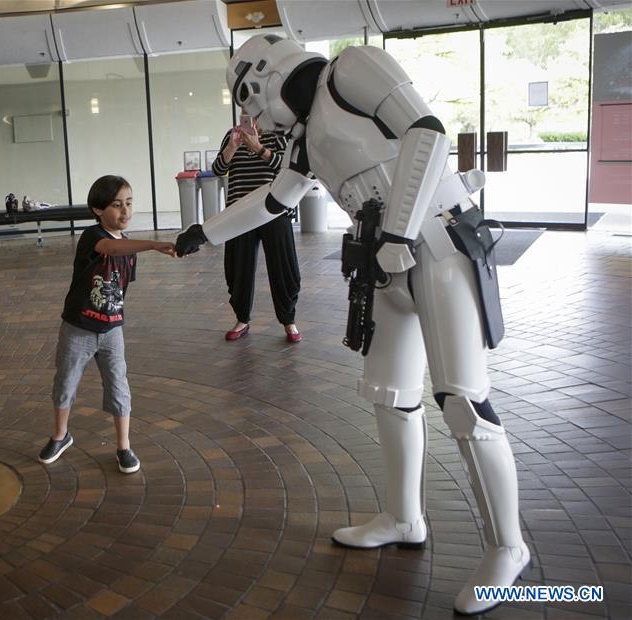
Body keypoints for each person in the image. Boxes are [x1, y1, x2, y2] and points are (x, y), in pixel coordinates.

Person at [175, 36, 528, 616]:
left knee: (463, 403)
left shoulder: (351, 68)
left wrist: (399, 231)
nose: (250, 112)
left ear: (268, 73)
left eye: (248, 95)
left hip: (435, 246)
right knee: (391, 397)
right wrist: (203, 233)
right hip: (384, 264)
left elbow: (428, 131)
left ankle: (508, 548)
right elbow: (272, 200)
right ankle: (402, 516)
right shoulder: (305, 137)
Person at [37, 175, 176, 474]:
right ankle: (61, 436)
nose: (125, 211)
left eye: (128, 203)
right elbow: (110, 250)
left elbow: (122, 287)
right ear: (98, 209)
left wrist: (114, 318)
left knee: (118, 386)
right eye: (116, 205)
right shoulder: (92, 236)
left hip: (112, 330)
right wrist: (153, 244)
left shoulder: (128, 246)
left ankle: (123, 446)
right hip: (78, 327)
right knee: (66, 381)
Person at [212, 115, 301, 343]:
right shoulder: (232, 136)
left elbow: (287, 168)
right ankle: (242, 319)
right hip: (239, 212)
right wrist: (232, 147)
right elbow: (218, 169)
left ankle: (289, 321)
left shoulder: (278, 137)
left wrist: (258, 148)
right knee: (238, 269)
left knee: (284, 267)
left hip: (273, 211)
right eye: (245, 110)